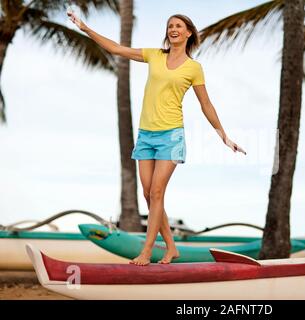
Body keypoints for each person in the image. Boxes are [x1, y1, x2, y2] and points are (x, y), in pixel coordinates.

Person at [68, 11, 246, 265]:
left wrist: (223, 136)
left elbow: (206, 103)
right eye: (170, 25)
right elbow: (117, 50)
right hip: (145, 134)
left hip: (171, 136)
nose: (173, 28)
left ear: (188, 33)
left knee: (158, 191)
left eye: (179, 26)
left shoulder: (194, 68)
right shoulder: (154, 55)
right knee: (148, 194)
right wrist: (86, 28)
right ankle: (172, 248)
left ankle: (147, 251)